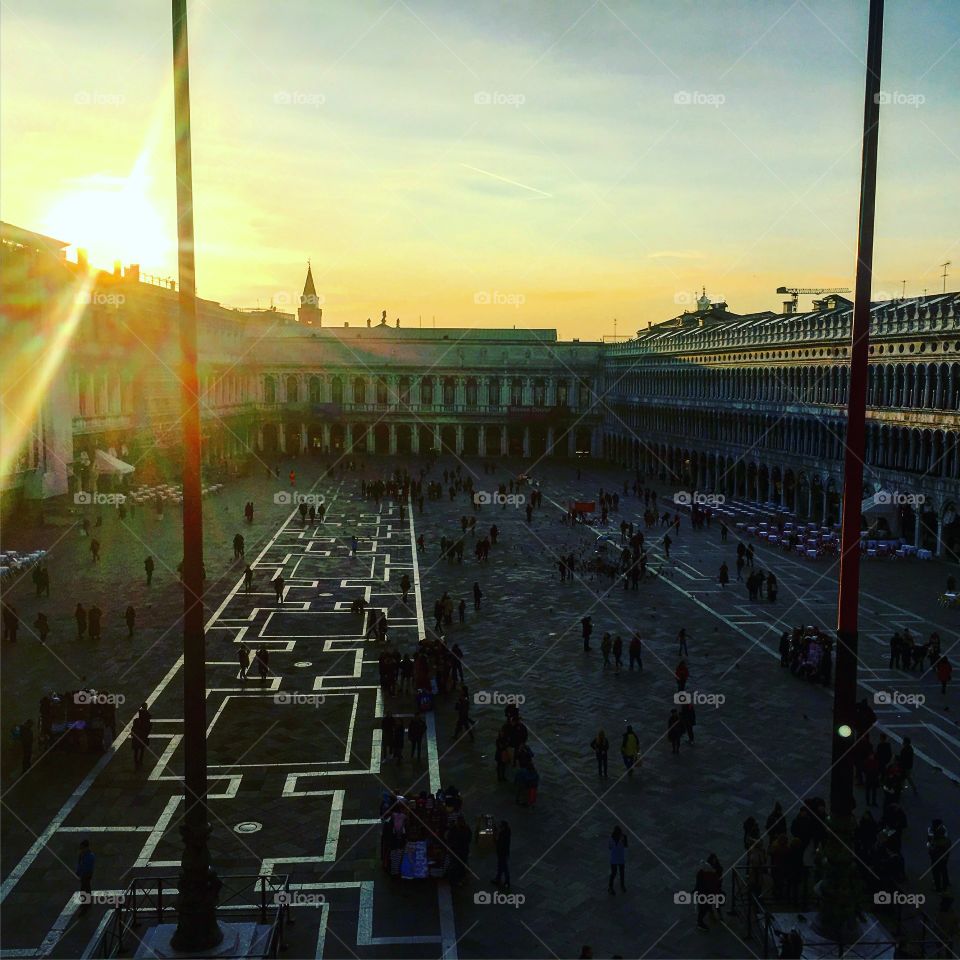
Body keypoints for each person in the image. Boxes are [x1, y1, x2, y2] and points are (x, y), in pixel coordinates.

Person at [928, 820, 951, 893]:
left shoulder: (935, 841)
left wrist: (930, 848)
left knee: (936, 873)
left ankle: (938, 888)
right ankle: (946, 884)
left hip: (936, 858)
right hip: (944, 858)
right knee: (944, 870)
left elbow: (932, 850)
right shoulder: (946, 840)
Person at [608, 825, 628, 894]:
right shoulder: (611, 838)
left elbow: (626, 845)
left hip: (619, 857)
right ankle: (611, 887)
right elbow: (610, 847)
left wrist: (622, 841)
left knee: (620, 872)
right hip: (615, 858)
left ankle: (621, 885)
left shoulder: (623, 837)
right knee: (614, 873)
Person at [76, 840, 95, 913]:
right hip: (83, 874)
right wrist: (78, 871)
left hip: (87, 874)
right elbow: (79, 863)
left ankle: (86, 904)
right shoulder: (82, 854)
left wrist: (82, 872)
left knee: (86, 889)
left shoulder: (90, 856)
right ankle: (86, 903)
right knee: (84, 889)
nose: (81, 850)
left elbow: (88, 867)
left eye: (82, 848)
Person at [493, 820, 511, 888]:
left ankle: (507, 881)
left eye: (501, 826)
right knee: (500, 866)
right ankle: (498, 878)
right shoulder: (507, 831)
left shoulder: (503, 834)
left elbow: (498, 843)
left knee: (504, 867)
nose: (500, 828)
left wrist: (495, 835)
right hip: (504, 852)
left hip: (502, 853)